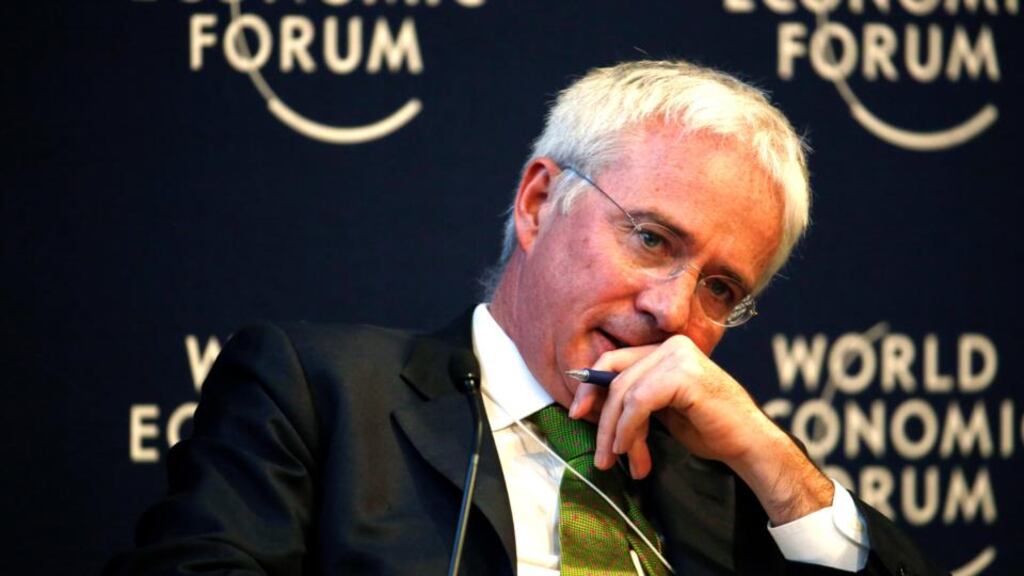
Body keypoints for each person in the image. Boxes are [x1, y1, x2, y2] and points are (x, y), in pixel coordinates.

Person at [107, 60, 942, 575]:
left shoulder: (732, 485)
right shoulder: (319, 395)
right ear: (541, 201)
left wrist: (775, 462)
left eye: (721, 289)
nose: (672, 309)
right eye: (650, 239)